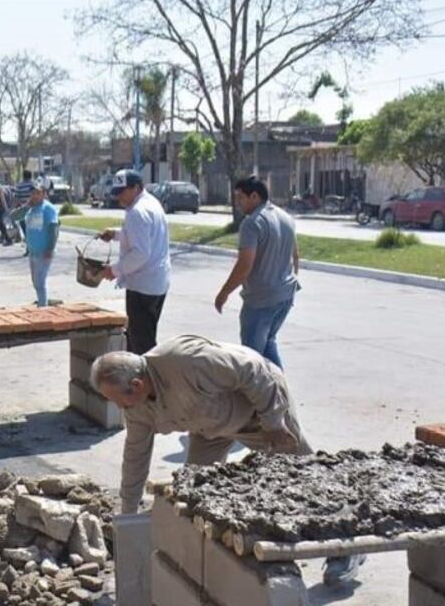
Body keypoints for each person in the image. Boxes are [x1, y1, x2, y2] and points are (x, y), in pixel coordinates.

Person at [91, 335, 365, 586]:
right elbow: (135, 457)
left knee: (303, 479)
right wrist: (127, 516)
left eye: (119, 401)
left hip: (261, 411)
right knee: (196, 489)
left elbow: (253, 371)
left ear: (136, 385)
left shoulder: (188, 361)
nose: (119, 408)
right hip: (210, 427)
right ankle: (219, 560)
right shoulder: (137, 408)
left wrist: (272, 421)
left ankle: (346, 547)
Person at [215, 176, 300, 370]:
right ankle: (280, 392)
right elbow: (296, 255)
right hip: (285, 295)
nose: (237, 203)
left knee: (251, 357)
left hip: (262, 300)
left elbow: (245, 265)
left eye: (240, 198)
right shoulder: (285, 217)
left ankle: (263, 397)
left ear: (254, 196)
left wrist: (224, 293)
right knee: (268, 344)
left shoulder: (252, 223)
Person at [97, 169, 172, 355]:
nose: (119, 197)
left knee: (141, 344)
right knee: (140, 336)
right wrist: (115, 234)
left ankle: (147, 380)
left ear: (136, 188)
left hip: (142, 286)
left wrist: (114, 270)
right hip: (156, 282)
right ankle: (138, 378)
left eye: (122, 192)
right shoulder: (151, 204)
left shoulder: (137, 212)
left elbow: (140, 253)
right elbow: (141, 236)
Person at [11, 179, 59, 306]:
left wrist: (50, 248)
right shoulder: (31, 209)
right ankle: (42, 303)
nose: (35, 195)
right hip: (33, 251)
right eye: (33, 193)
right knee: (35, 282)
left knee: (40, 282)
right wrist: (26, 206)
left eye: (38, 193)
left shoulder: (48, 209)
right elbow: (13, 216)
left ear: (43, 194)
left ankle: (43, 307)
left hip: (44, 252)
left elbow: (53, 229)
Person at [14, 171, 35, 256]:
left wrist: (17, 208)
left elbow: (16, 199)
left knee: (26, 231)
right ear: (31, 176)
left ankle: (29, 249)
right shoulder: (34, 185)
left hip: (23, 211)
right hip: (33, 210)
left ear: (23, 176)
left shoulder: (19, 186)